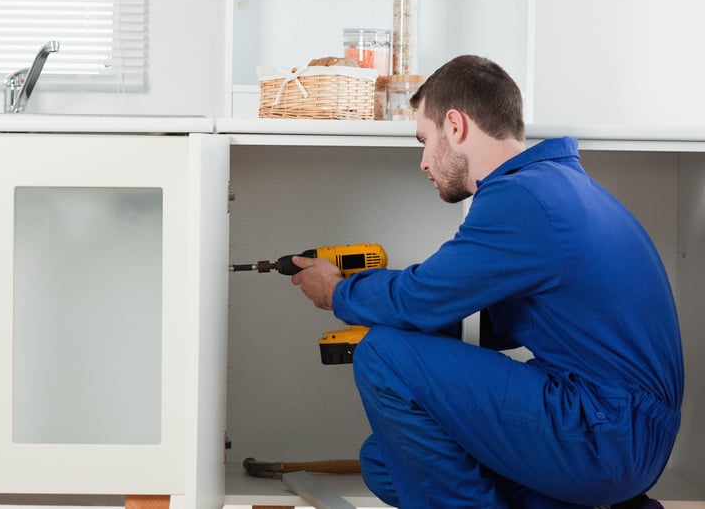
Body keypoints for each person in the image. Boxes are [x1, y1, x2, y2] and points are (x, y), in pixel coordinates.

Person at [290, 55, 683, 509]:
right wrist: (409, 323)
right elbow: (490, 324)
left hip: (606, 432)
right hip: (626, 434)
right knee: (385, 458)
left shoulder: (522, 198)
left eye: (424, 139)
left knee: (382, 355)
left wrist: (339, 292)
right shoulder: (558, 186)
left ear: (454, 125)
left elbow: (421, 297)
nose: (422, 162)